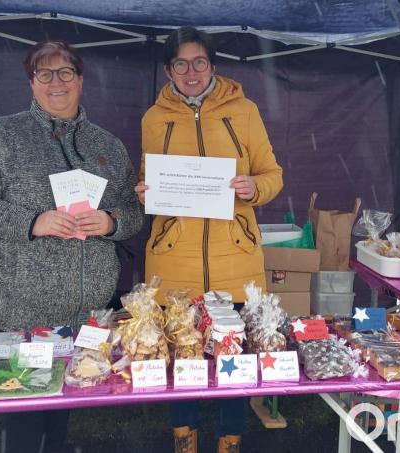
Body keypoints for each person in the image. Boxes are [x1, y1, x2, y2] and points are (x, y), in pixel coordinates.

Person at [0, 40, 143, 453]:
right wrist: (31, 222)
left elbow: (132, 213)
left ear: (81, 80)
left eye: (66, 73)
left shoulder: (107, 146)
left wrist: (112, 222)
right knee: (23, 411)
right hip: (18, 309)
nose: (57, 82)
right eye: (45, 74)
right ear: (31, 82)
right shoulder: (1, 136)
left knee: (63, 408)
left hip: (85, 313)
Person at [135, 27, 283, 453]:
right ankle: (184, 438)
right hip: (172, 263)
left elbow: (272, 174)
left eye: (199, 62)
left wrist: (254, 187)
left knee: (232, 363)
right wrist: (144, 191)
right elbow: (149, 180)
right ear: (169, 71)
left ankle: (229, 440)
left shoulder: (245, 111)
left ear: (213, 66)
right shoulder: (153, 118)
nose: (191, 71)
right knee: (184, 359)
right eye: (180, 64)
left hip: (234, 262)